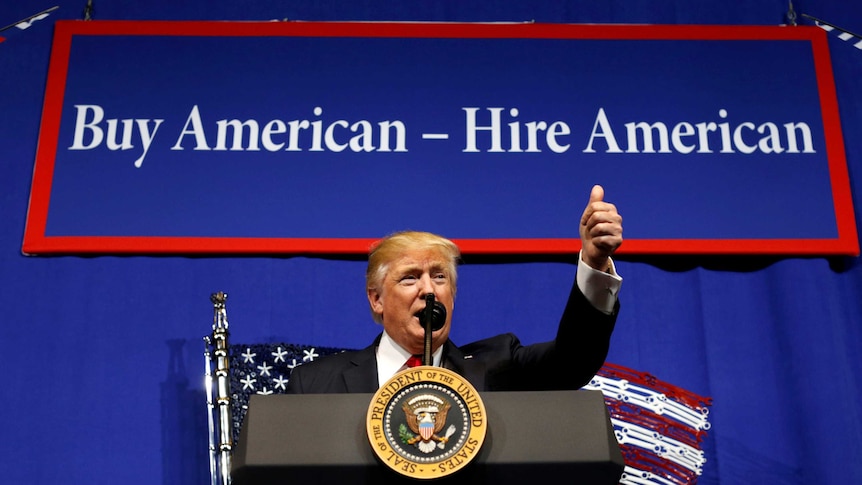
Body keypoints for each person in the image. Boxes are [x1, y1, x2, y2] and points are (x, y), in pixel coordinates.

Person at [286, 185, 623, 394]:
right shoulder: (316, 384)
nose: (428, 290)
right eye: (410, 278)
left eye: (440, 277)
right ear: (376, 299)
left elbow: (573, 360)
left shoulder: (499, 367)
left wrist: (594, 264)